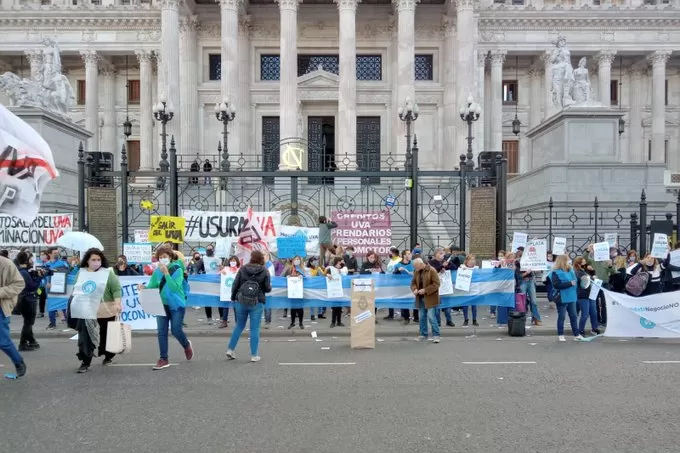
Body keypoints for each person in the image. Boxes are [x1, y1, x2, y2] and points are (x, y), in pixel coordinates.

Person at [139, 246, 194, 371]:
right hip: (162, 304)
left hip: (176, 304)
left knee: (176, 330)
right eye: (160, 257)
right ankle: (163, 359)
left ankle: (186, 345)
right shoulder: (156, 271)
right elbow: (152, 285)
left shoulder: (177, 269)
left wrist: (167, 274)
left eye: (165, 257)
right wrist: (143, 288)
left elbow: (174, 288)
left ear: (170, 257)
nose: (162, 259)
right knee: (161, 332)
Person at [70, 249, 123, 373]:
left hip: (105, 308)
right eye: (93, 259)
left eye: (98, 260)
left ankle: (108, 355)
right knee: (85, 336)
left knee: (106, 334)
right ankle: (85, 361)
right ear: (87, 261)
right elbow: (76, 288)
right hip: (86, 308)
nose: (96, 262)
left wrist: (117, 303)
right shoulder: (81, 273)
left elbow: (116, 289)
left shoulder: (107, 273)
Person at [226, 250, 272, 362]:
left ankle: (230, 349)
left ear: (251, 258)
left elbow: (235, 284)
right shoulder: (265, 271)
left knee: (239, 325)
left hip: (241, 300)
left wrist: (233, 297)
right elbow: (267, 288)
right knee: (254, 328)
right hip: (257, 302)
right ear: (261, 259)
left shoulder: (243, 268)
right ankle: (254, 355)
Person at [0, 254, 27, 377]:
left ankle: (18, 361)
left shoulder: (6, 264)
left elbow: (19, 284)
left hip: (1, 307)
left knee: (3, 342)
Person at [550, 254, 583, 342]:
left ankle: (576, 334)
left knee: (573, 316)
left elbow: (576, 280)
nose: (569, 261)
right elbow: (556, 285)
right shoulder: (555, 272)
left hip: (571, 296)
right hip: (562, 297)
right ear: (563, 261)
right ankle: (560, 334)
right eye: (567, 259)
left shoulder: (570, 270)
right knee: (562, 317)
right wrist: (570, 283)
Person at [16, 252, 44, 351]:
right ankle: (22, 344)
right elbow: (32, 287)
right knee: (28, 323)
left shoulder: (21, 271)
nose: (33, 261)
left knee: (27, 322)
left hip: (24, 299)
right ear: (27, 260)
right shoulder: (24, 272)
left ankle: (31, 341)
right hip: (28, 300)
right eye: (31, 259)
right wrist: (40, 277)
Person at [411, 258, 441, 343]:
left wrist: (425, 290)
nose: (415, 268)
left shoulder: (432, 270)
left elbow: (436, 284)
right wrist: (414, 289)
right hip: (420, 298)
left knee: (432, 317)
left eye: (416, 266)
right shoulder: (416, 271)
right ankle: (423, 334)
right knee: (422, 317)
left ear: (421, 264)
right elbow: (413, 283)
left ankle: (436, 335)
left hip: (430, 298)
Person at [428, 247, 455, 328]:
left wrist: (448, 265)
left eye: (443, 254)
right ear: (436, 254)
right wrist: (441, 267)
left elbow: (454, 268)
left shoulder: (445, 262)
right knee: (436, 305)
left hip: (445, 286)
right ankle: (438, 321)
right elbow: (432, 271)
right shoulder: (431, 262)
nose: (442, 255)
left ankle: (449, 320)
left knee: (447, 304)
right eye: (440, 253)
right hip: (436, 287)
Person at [573, 257, 599, 336]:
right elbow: (584, 280)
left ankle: (594, 328)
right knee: (585, 314)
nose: (585, 264)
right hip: (583, 295)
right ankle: (580, 330)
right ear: (578, 264)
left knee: (594, 312)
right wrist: (591, 277)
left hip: (590, 294)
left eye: (585, 262)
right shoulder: (577, 272)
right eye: (583, 262)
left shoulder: (585, 270)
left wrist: (592, 272)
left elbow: (591, 275)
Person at [45, 247, 69, 329]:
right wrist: (46, 282)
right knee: (51, 306)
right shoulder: (46, 264)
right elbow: (44, 275)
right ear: (50, 254)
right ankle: (52, 323)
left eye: (57, 252)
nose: (57, 254)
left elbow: (68, 273)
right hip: (51, 289)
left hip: (61, 288)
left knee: (64, 305)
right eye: (55, 252)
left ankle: (69, 322)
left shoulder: (63, 263)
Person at [394, 250, 418, 325]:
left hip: (413, 285)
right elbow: (394, 276)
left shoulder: (413, 263)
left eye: (410, 253)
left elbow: (419, 272)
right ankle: (406, 318)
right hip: (403, 286)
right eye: (408, 254)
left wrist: (412, 273)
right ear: (404, 256)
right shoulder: (398, 265)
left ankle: (416, 318)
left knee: (415, 301)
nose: (410, 255)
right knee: (404, 301)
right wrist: (397, 270)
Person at [218, 255, 241, 328]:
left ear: (237, 262)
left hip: (236, 291)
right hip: (226, 291)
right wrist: (221, 270)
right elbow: (219, 275)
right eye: (231, 261)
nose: (232, 262)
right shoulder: (226, 269)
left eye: (234, 261)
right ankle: (224, 322)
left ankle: (238, 322)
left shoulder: (239, 270)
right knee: (225, 307)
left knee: (236, 307)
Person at [283, 256, 305, 329]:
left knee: (300, 308)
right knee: (293, 308)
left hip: (300, 290)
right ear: (293, 260)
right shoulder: (290, 268)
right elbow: (283, 276)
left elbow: (307, 277)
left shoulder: (302, 268)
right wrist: (287, 277)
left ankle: (301, 323)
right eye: (295, 259)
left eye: (298, 259)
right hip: (292, 291)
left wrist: (302, 277)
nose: (297, 260)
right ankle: (292, 322)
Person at [325, 256, 348, 328]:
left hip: (340, 290)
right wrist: (327, 274)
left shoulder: (342, 269)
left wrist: (341, 270)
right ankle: (333, 322)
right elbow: (325, 273)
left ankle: (339, 321)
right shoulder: (331, 268)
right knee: (335, 307)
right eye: (341, 261)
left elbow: (345, 272)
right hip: (333, 290)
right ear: (337, 262)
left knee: (339, 307)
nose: (342, 263)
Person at [459, 255, 479, 327]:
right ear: (467, 261)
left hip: (474, 289)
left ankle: (474, 320)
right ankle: (466, 319)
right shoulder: (462, 267)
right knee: (465, 305)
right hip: (465, 289)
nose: (472, 261)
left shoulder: (476, 268)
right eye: (471, 259)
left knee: (474, 306)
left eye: (473, 259)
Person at [305, 256, 326, 320]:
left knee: (320, 299)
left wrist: (322, 269)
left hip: (319, 286)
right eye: (314, 261)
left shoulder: (318, 268)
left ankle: (320, 313)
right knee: (312, 301)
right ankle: (312, 315)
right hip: (311, 287)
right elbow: (310, 277)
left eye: (316, 261)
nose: (316, 262)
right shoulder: (308, 269)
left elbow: (322, 275)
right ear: (310, 262)